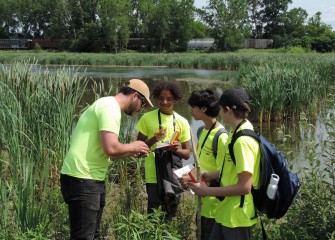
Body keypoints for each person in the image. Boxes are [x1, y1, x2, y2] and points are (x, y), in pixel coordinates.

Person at [60, 79, 152, 240]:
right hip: (83, 178)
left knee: (92, 235)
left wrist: (131, 151)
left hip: (89, 178)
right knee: (84, 237)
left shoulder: (106, 105)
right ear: (135, 96)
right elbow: (111, 148)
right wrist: (134, 147)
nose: (141, 109)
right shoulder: (110, 108)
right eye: (142, 104)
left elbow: (109, 151)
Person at [189, 88, 261, 240]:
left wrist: (206, 191)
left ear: (228, 110)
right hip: (225, 212)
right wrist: (209, 175)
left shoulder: (243, 141)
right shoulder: (234, 134)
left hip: (237, 216)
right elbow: (231, 171)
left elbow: (245, 187)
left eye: (220, 108)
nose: (218, 112)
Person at [136, 81, 191, 220]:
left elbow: (187, 154)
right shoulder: (147, 118)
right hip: (153, 174)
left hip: (173, 174)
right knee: (153, 213)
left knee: (170, 213)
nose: (164, 102)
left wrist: (177, 149)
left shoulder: (182, 121)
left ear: (176, 100)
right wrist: (153, 140)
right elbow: (137, 149)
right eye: (161, 98)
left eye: (169, 99)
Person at [178, 89, 228, 240]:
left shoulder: (221, 137)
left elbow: (225, 173)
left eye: (193, 106)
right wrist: (188, 177)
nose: (191, 110)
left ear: (204, 109)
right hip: (201, 203)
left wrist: (195, 179)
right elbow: (200, 164)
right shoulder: (201, 131)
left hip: (214, 206)